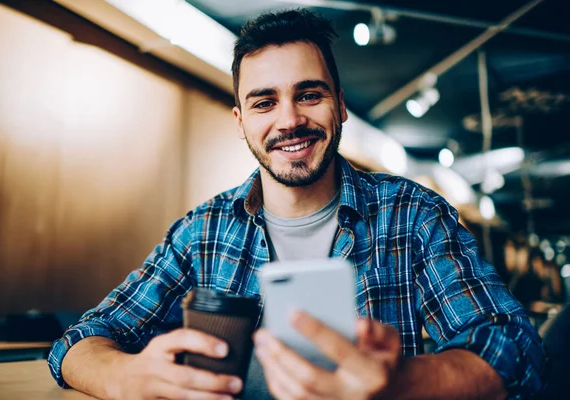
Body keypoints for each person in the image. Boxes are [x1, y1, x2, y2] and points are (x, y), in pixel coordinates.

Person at [48, 9, 547, 400]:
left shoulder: (414, 214)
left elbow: (514, 348)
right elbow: (83, 338)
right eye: (265, 102)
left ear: (341, 105)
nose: (289, 119)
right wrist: (126, 375)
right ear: (241, 121)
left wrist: (398, 385)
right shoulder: (202, 231)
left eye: (309, 94)